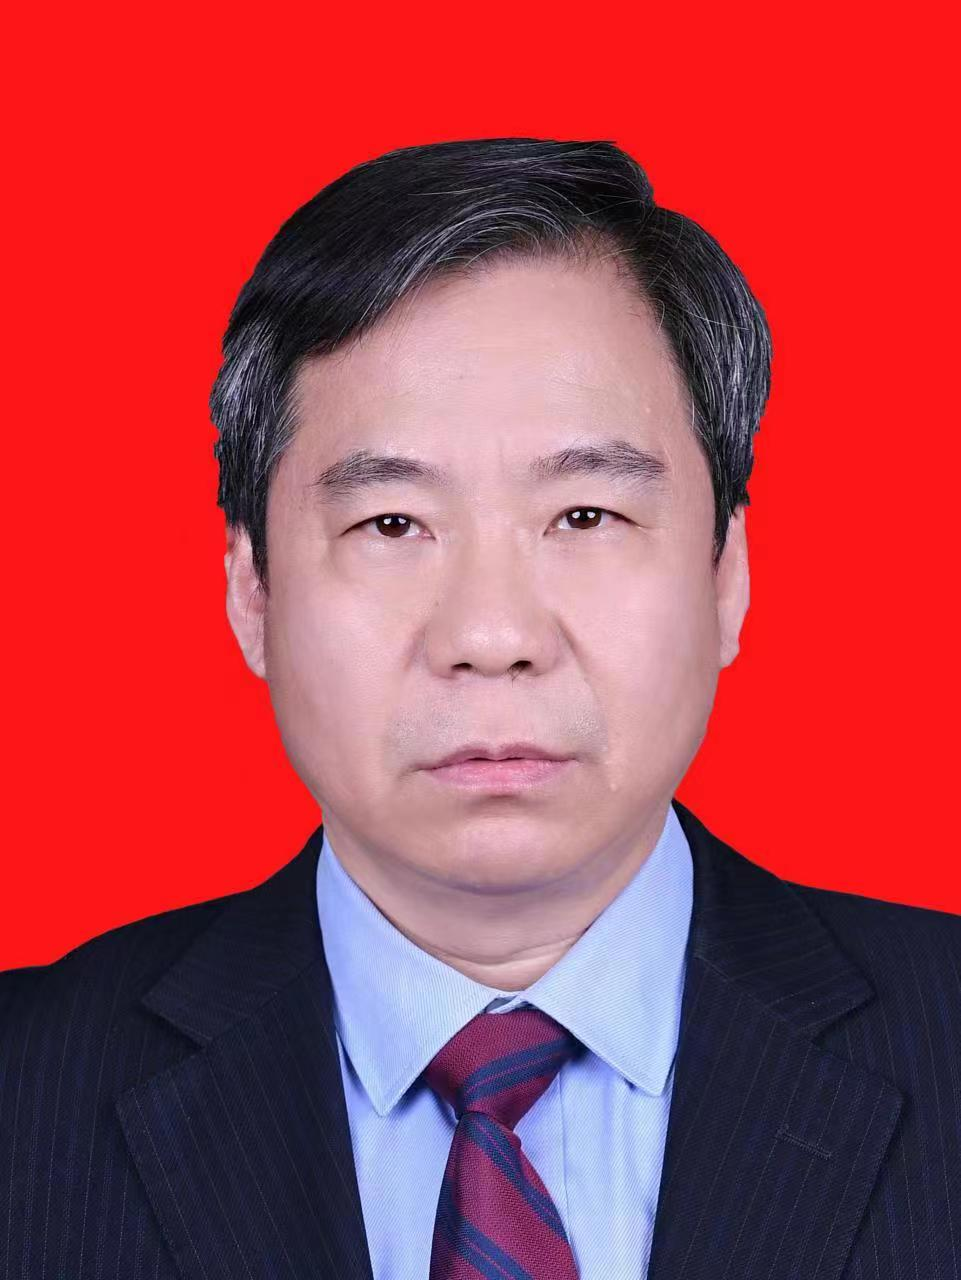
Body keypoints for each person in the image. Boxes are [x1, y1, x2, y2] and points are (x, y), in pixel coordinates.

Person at [1, 137, 959, 1280]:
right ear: (252, 590)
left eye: (586, 516)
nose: (492, 636)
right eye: (391, 524)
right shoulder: (26, 1091)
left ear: (724, 575)